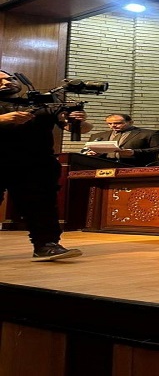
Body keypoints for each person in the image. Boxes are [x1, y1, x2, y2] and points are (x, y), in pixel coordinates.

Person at [0, 70, 93, 261]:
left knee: (41, 205)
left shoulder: (43, 104)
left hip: (35, 163)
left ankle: (46, 245)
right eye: (0, 80)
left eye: (10, 78)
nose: (7, 82)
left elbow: (80, 129)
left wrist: (79, 122)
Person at [85, 113, 159, 167]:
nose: (113, 126)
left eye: (118, 123)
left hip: (137, 168)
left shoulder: (150, 133)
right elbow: (85, 151)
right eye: (109, 124)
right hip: (105, 168)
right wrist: (91, 154)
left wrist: (134, 152)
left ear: (130, 122)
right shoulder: (98, 136)